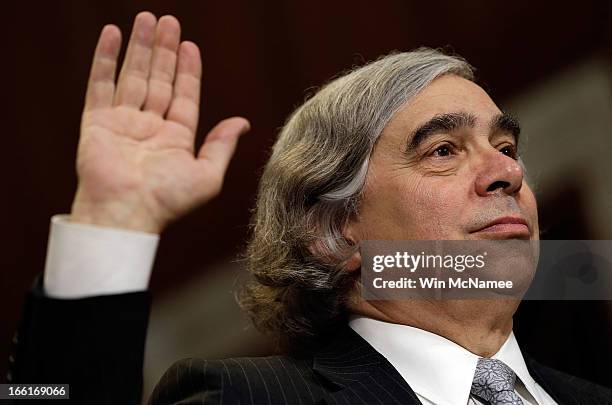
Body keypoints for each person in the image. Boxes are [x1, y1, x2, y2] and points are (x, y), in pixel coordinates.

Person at [8, 11, 612, 405]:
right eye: (444, 150)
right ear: (335, 231)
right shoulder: (245, 398)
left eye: (506, 147)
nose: (507, 171)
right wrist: (110, 226)